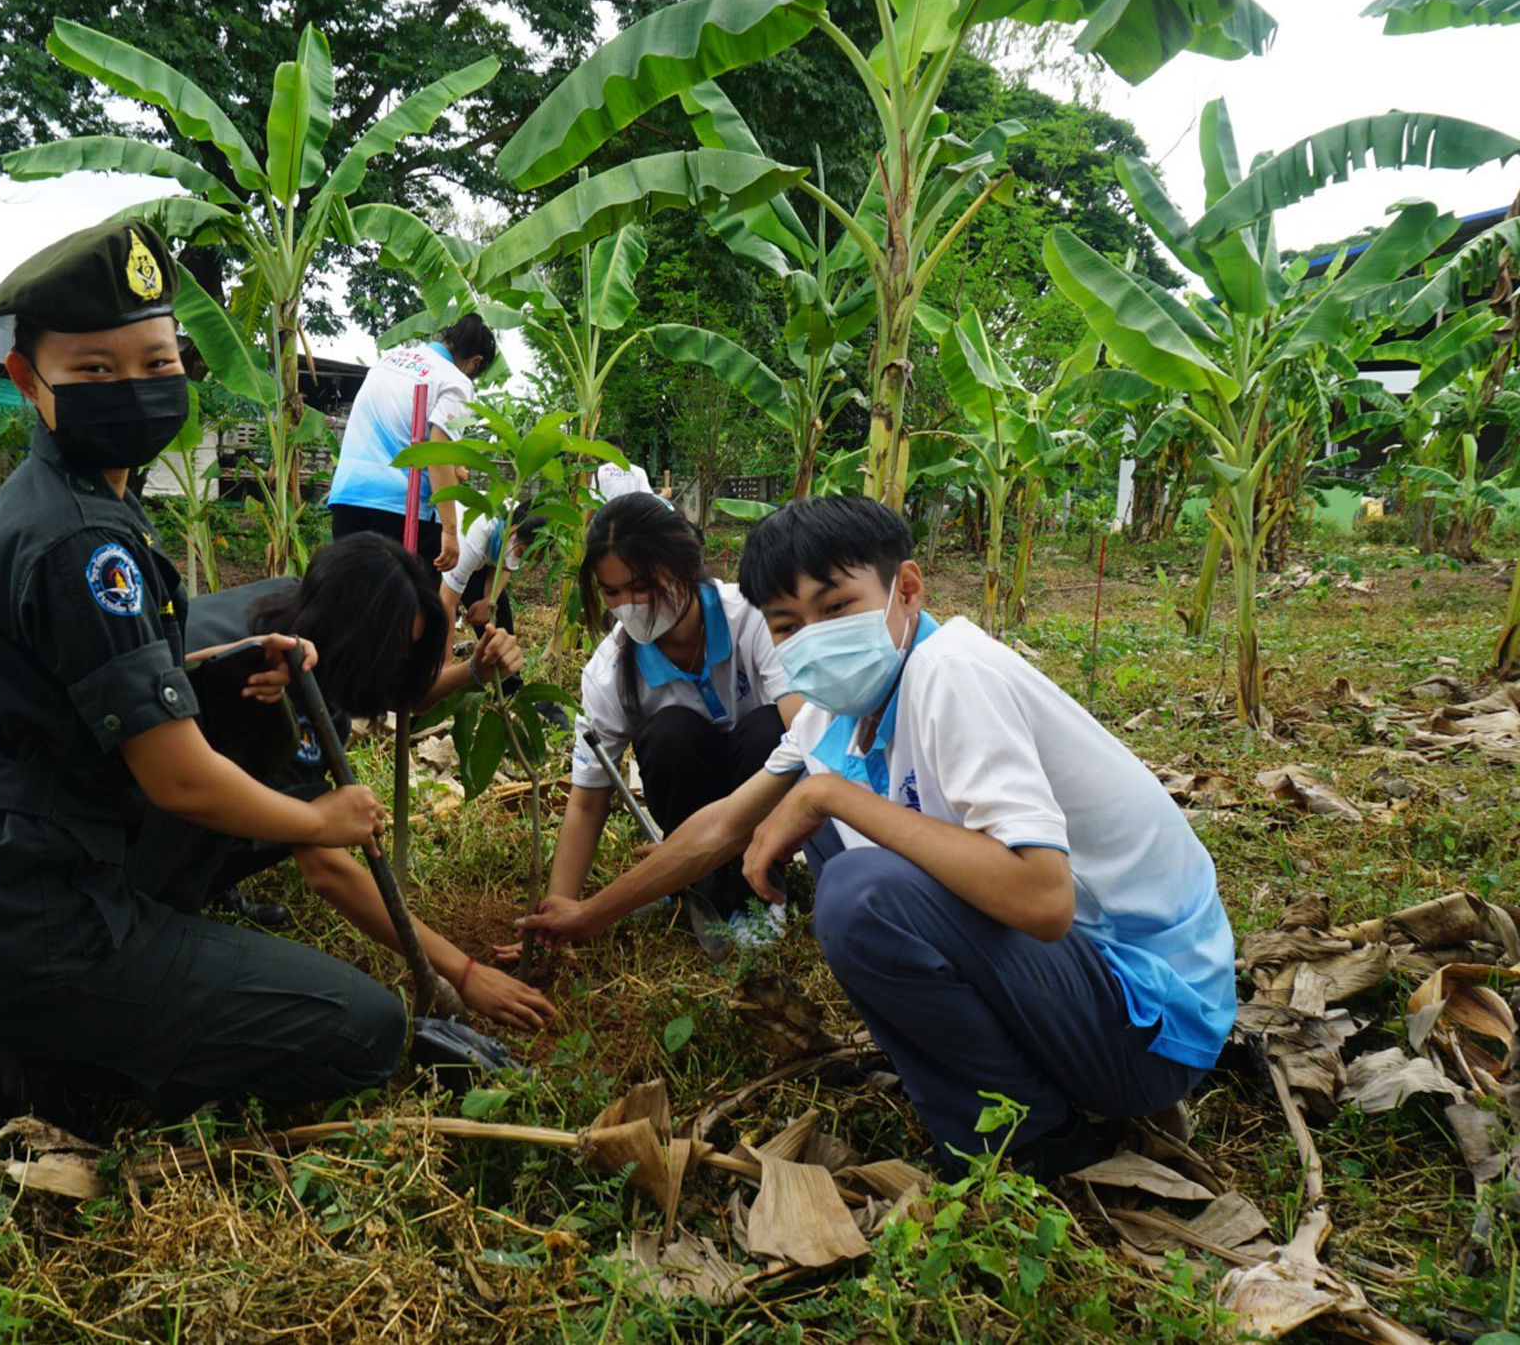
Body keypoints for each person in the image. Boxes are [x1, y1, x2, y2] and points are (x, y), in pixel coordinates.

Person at [0, 221, 468, 1133]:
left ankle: (43, 1018)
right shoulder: (86, 541)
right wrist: (322, 817)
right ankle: (41, 1060)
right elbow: (179, 777)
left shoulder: (62, 503)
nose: (138, 389)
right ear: (28, 381)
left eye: (156, 363)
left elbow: (87, 678)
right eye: (97, 371)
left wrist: (225, 668)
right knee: (365, 1029)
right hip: (31, 918)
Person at [517, 495, 1235, 1178]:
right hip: (1083, 985)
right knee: (840, 845)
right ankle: (1007, 1088)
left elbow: (1043, 898)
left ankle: (1029, 1141)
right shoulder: (836, 711)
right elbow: (721, 826)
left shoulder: (951, 672)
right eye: (789, 623)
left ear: (908, 588)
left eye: (836, 607)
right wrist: (588, 913)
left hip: (1150, 1020)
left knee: (857, 887)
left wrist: (831, 796)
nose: (815, 636)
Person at [182, 534, 557, 1032]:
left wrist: (472, 670)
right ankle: (191, 887)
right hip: (127, 832)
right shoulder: (270, 692)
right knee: (301, 811)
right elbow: (326, 866)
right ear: (356, 639)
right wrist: (465, 973)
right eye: (396, 653)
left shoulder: (300, 609)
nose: (399, 668)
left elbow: (403, 692)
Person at [537, 493, 800, 939]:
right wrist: (561, 905)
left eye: (640, 586)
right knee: (669, 733)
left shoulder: (753, 619)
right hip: (686, 803)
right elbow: (585, 802)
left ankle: (759, 888)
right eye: (612, 592)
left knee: (769, 730)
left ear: (684, 565)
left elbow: (806, 734)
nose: (628, 605)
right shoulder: (610, 670)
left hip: (763, 795)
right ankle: (699, 879)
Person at [325, 314, 497, 571]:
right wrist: (450, 530)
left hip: (347, 497)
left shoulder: (389, 360)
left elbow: (400, 432)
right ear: (475, 363)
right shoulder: (455, 380)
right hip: (400, 509)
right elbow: (437, 456)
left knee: (353, 599)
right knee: (416, 604)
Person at [438, 510, 546, 636]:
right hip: (442, 539)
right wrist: (446, 656)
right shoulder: (474, 543)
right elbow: (447, 602)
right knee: (434, 613)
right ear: (512, 531)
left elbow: (505, 566)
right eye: (521, 553)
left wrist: (489, 600)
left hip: (481, 556)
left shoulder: (526, 523)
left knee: (500, 621)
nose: (520, 560)